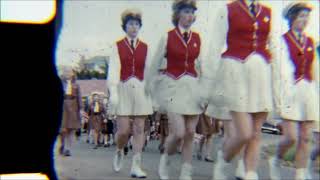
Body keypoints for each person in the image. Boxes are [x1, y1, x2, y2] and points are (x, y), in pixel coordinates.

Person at [209, 0, 276, 179]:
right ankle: (223, 161)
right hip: (235, 74)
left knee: (255, 133)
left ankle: (250, 173)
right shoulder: (228, 9)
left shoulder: (268, 11)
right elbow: (215, 46)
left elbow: (275, 46)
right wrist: (211, 80)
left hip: (260, 74)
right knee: (244, 133)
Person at [149, 1, 209, 179]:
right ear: (178, 14)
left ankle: (186, 170)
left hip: (192, 88)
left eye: (192, 12)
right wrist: (152, 90)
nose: (189, 16)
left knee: (190, 132)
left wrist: (205, 90)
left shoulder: (198, 38)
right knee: (179, 132)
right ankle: (165, 158)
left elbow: (203, 65)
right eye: (186, 12)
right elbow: (154, 64)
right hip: (172, 87)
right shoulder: (167, 37)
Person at [269, 3, 319, 178]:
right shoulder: (282, 41)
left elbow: (314, 70)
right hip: (290, 92)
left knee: (305, 137)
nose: (304, 21)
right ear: (292, 18)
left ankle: (300, 173)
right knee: (291, 137)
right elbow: (278, 72)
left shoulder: (310, 41)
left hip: (308, 92)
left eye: (306, 17)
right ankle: (275, 160)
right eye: (301, 16)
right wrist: (279, 100)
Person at [107, 8, 153, 178]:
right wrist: (113, 91)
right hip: (123, 87)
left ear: (139, 26)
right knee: (124, 130)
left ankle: (136, 165)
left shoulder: (146, 47)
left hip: (140, 88)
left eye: (136, 24)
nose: (133, 27)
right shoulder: (117, 45)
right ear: (125, 27)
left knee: (140, 128)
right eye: (130, 24)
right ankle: (119, 149)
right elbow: (113, 70)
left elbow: (149, 71)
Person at [59, 66, 83, 157]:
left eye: (69, 71)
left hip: (73, 107)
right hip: (63, 106)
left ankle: (67, 149)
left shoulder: (76, 85)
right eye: (66, 71)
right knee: (63, 129)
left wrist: (81, 108)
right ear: (63, 73)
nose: (68, 73)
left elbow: (79, 97)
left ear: (73, 73)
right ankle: (62, 144)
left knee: (71, 129)